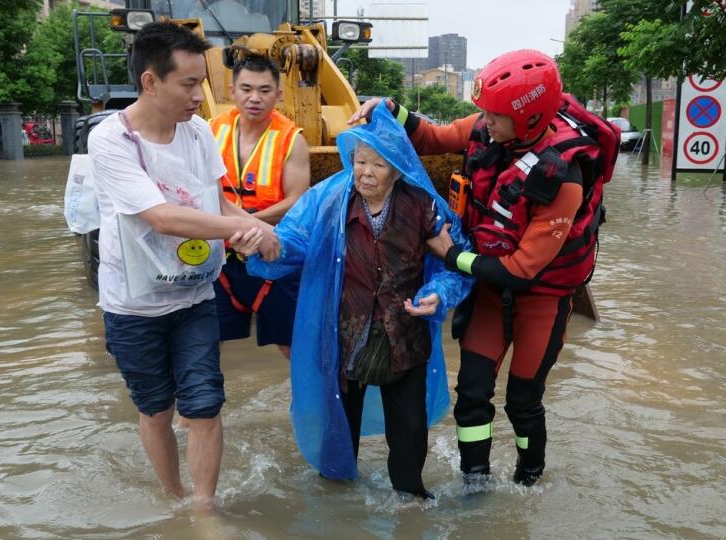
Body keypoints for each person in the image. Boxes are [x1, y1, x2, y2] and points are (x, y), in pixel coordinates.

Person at [350, 49, 619, 487]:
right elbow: (433, 137)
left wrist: (449, 255)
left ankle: (529, 478)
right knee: (472, 394)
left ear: (530, 119)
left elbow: (520, 268)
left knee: (523, 400)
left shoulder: (564, 177)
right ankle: (476, 483)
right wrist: (391, 109)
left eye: (496, 115)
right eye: (485, 113)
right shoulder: (487, 132)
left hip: (541, 299)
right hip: (489, 294)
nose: (485, 121)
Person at [88, 22, 277, 512]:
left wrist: (261, 229)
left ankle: (202, 509)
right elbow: (161, 217)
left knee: (205, 405)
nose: (201, 95)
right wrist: (239, 232)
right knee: (156, 409)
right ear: (151, 82)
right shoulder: (112, 140)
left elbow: (218, 202)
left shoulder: (197, 133)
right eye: (189, 84)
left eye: (203, 83)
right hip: (133, 305)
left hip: (194, 295)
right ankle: (172, 494)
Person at [247, 104, 473, 499]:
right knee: (338, 426)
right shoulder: (329, 200)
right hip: (345, 333)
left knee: (409, 431)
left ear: (398, 168)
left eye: (379, 165)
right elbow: (292, 242)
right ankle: (338, 501)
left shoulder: (425, 206)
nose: (366, 172)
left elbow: (456, 264)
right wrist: (268, 246)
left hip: (404, 333)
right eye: (360, 161)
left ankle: (410, 501)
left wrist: (439, 294)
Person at [207, 53, 309, 359]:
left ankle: (315, 406)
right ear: (232, 91)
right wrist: (238, 225)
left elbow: (296, 201)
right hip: (219, 258)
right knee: (204, 346)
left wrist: (250, 223)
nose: (255, 98)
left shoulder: (292, 139)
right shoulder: (209, 131)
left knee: (293, 346)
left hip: (273, 255)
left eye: (264, 91)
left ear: (278, 95)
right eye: (247, 89)